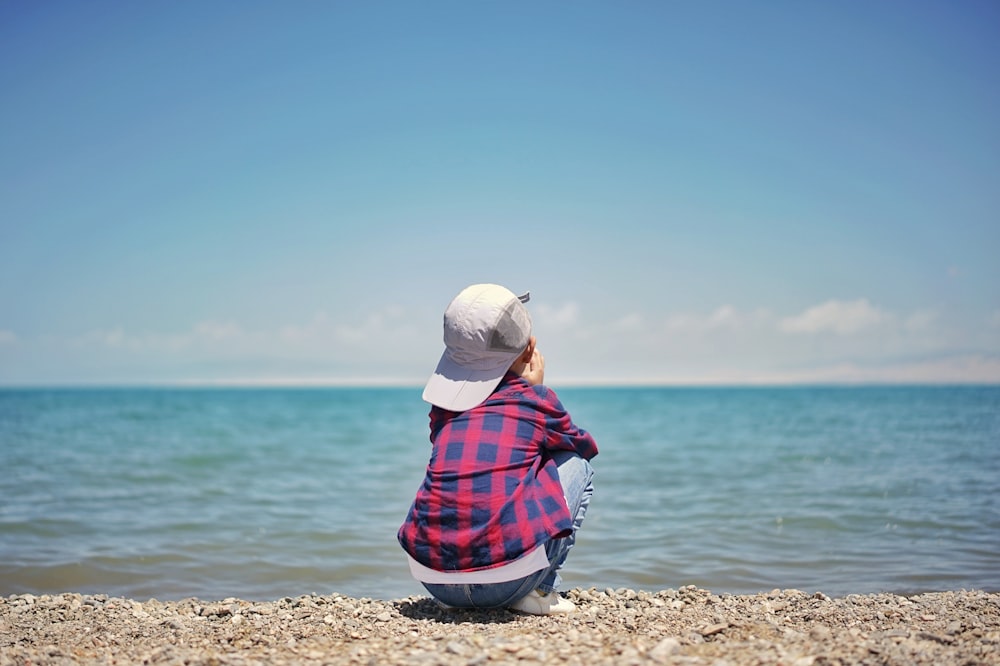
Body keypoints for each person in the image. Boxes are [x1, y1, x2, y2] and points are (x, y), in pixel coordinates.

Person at [398, 283, 598, 615]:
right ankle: (542, 590)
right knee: (574, 463)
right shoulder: (535, 401)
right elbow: (583, 446)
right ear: (529, 349)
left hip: (433, 579)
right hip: (505, 585)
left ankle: (468, 575)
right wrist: (536, 392)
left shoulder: (443, 408)